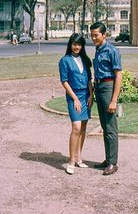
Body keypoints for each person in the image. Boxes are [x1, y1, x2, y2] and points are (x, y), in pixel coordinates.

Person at [90, 22, 122, 176]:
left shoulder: (111, 50)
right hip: (99, 88)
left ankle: (113, 163)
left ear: (104, 35)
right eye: (92, 35)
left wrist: (114, 99)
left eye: (96, 35)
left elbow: (118, 75)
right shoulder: (98, 49)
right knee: (104, 125)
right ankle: (108, 159)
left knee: (110, 127)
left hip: (108, 88)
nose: (93, 38)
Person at [58, 33, 93, 175]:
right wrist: (75, 99)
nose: (77, 47)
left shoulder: (85, 60)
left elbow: (89, 79)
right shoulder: (64, 60)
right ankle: (71, 161)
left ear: (82, 46)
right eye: (74, 44)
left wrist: (91, 95)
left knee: (83, 127)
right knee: (76, 127)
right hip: (74, 96)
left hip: (86, 96)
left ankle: (79, 158)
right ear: (70, 45)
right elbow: (64, 81)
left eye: (79, 44)